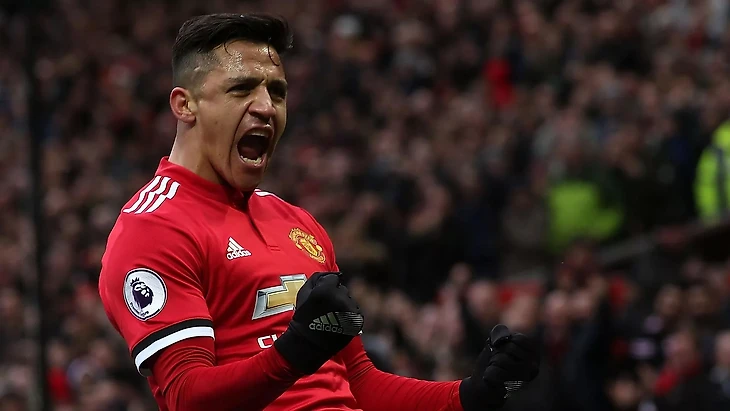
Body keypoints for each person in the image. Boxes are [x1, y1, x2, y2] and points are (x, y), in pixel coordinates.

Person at [97, 13, 539, 411]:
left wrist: (468, 396)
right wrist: (292, 353)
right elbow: (187, 397)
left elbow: (359, 383)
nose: (266, 107)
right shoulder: (154, 227)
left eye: (277, 92)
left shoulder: (297, 223)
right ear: (185, 104)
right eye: (241, 88)